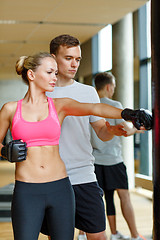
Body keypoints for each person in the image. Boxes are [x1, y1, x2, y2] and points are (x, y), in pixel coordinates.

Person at [0, 52, 150, 240]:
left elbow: (95, 108)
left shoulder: (60, 105)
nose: (55, 77)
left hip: (60, 188)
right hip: (27, 189)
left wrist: (128, 113)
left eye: (55, 72)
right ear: (31, 75)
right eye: (49, 72)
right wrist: (4, 151)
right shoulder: (10, 109)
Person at [40, 34, 152, 240]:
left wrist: (111, 131)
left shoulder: (88, 92)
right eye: (68, 58)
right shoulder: (42, 92)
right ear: (53, 57)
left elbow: (100, 131)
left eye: (78, 59)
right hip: (52, 177)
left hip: (84, 174)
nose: (74, 64)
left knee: (99, 236)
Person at [91, 72, 147, 240]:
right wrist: (139, 128)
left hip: (94, 161)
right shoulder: (114, 105)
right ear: (109, 87)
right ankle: (135, 235)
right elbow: (126, 131)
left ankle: (112, 233)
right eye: (113, 87)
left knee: (102, 199)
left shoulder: (89, 106)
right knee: (125, 197)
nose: (113, 90)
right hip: (113, 160)